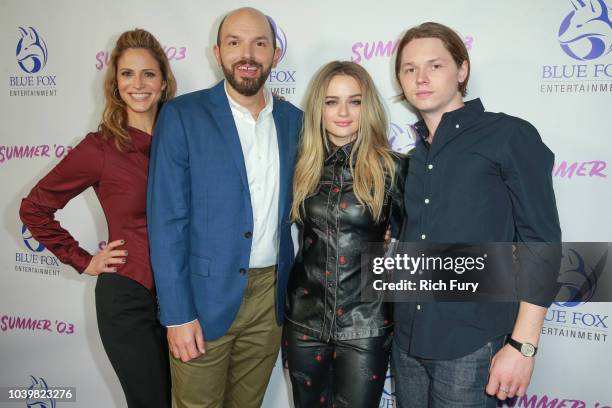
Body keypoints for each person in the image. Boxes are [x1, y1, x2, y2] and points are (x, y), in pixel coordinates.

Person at [390, 22, 561, 407]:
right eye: (409, 68)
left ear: (462, 70)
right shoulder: (412, 159)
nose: (420, 78)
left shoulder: (509, 135)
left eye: (435, 65)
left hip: (472, 347)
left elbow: (542, 244)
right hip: (406, 342)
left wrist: (522, 346)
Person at [146, 7, 303, 408]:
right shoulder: (182, 116)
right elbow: (167, 221)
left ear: (275, 55)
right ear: (217, 52)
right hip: (201, 299)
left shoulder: (295, 122)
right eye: (235, 42)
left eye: (259, 43)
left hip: (270, 301)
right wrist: (178, 315)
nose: (247, 53)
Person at [19, 29, 176, 408]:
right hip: (128, 299)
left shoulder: (183, 138)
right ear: (115, 83)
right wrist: (84, 259)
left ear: (163, 81)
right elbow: (34, 208)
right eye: (127, 74)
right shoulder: (101, 147)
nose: (138, 84)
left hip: (183, 299)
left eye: (148, 74)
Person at [284, 61, 407, 408]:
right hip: (304, 320)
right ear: (317, 108)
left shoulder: (394, 168)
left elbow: (421, 237)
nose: (342, 112)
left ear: (366, 107)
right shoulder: (299, 166)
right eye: (330, 101)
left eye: (354, 101)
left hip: (366, 325)